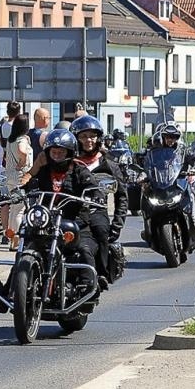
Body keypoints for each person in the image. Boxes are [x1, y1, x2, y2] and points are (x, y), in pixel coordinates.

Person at [26, 128, 101, 286]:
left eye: (61, 152)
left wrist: (95, 195)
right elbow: (29, 184)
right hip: (47, 222)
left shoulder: (79, 170)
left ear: (69, 153)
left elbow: (92, 186)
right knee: (28, 246)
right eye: (53, 152)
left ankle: (89, 286)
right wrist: (16, 191)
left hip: (75, 222)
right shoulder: (43, 171)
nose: (57, 156)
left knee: (84, 249)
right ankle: (11, 288)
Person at [67, 115, 126, 287]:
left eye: (92, 136)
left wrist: (117, 223)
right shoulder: (69, 163)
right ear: (76, 139)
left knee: (101, 231)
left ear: (99, 138)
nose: (88, 140)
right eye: (83, 136)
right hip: (72, 211)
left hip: (96, 211)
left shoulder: (109, 165)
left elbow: (122, 196)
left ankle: (101, 273)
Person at [147, 121, 195, 242]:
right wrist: (143, 174)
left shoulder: (183, 150)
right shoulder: (155, 150)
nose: (171, 139)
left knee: (191, 193)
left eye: (174, 137)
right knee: (146, 193)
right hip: (161, 182)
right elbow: (147, 163)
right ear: (163, 137)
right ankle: (148, 227)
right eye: (168, 137)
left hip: (179, 180)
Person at [2, 115, 32, 250]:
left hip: (10, 176)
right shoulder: (22, 139)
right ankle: (17, 240)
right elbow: (22, 151)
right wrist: (23, 162)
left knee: (14, 209)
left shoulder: (11, 139)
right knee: (20, 209)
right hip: (20, 177)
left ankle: (12, 237)